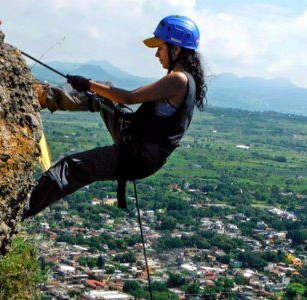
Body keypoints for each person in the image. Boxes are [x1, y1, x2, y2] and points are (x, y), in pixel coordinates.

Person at [23, 15, 207, 218]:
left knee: (69, 168)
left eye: (160, 48)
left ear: (176, 49)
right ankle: (42, 97)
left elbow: (129, 98)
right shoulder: (186, 80)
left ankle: (19, 211)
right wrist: (94, 87)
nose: (156, 54)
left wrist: (88, 83)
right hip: (140, 149)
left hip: (137, 155)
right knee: (104, 93)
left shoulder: (178, 79)